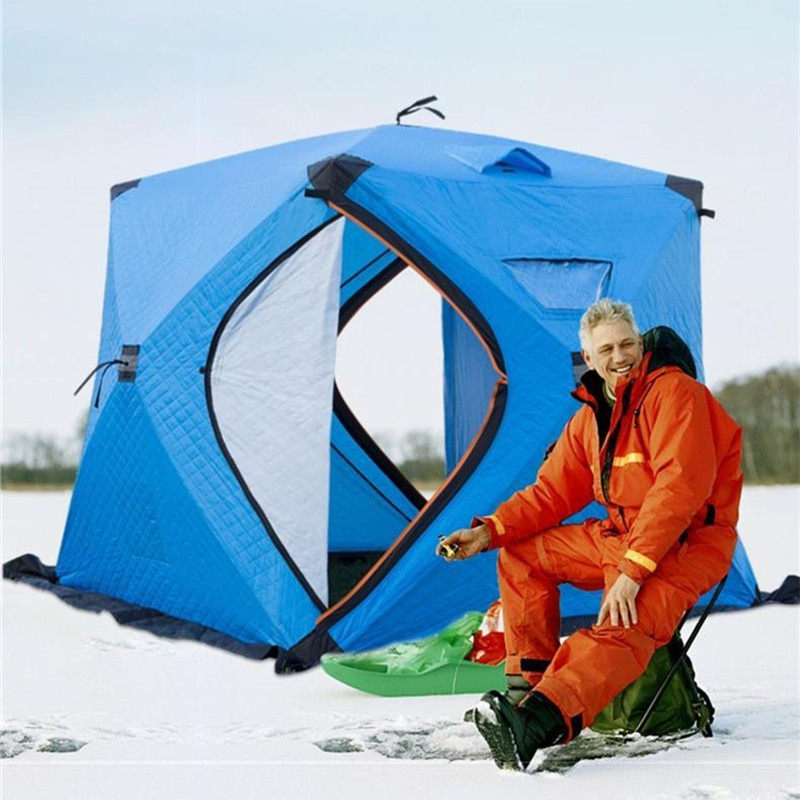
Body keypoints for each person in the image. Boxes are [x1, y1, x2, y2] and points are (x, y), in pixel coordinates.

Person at [438, 298, 742, 770]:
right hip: (620, 536)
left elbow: (678, 490)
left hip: (685, 545)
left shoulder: (676, 394)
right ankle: (524, 695)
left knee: (623, 622)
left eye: (627, 344)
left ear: (640, 343)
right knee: (520, 556)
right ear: (589, 357)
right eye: (607, 349)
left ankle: (537, 724)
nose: (619, 356)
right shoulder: (592, 416)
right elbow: (550, 493)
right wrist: (489, 531)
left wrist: (632, 571)